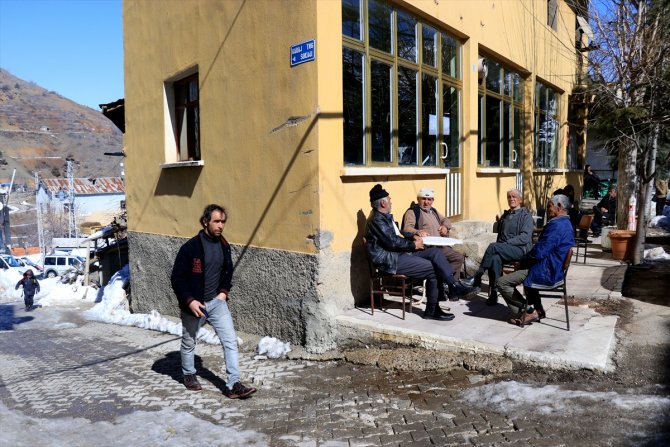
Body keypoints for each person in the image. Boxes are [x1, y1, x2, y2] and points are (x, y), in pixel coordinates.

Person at [170, 204, 257, 399]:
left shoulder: (224, 246)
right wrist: (190, 301)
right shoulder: (190, 248)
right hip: (195, 305)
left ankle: (234, 384)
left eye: (223, 221)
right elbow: (177, 278)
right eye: (216, 221)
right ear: (205, 222)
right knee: (189, 342)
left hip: (217, 303)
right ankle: (189, 374)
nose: (220, 226)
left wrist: (223, 293)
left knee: (230, 342)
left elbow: (228, 271)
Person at [364, 184, 477, 321]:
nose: (391, 201)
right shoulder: (377, 219)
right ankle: (433, 310)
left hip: (400, 254)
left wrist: (413, 236)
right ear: (383, 202)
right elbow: (392, 242)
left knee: (435, 253)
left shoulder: (384, 216)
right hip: (391, 260)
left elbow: (398, 234)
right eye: (389, 199)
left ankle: (453, 286)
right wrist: (413, 244)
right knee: (434, 269)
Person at [496, 194, 575, 326]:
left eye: (549, 206)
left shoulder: (556, 226)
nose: (548, 209)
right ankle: (538, 309)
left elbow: (539, 252)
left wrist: (523, 260)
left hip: (547, 270)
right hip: (554, 268)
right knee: (522, 267)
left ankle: (529, 311)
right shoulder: (566, 222)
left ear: (559, 206)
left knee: (502, 283)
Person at [460, 188, 534, 306]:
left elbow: (525, 237)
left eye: (514, 197)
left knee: (493, 247)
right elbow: (500, 232)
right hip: (504, 249)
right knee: (494, 259)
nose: (511, 199)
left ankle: (477, 277)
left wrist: (506, 244)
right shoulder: (506, 214)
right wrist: (499, 223)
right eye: (509, 197)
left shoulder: (526, 216)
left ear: (520, 200)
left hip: (520, 250)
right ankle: (493, 293)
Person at [401, 187, 465, 286]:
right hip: (427, 248)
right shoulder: (413, 211)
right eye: (423, 199)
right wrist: (417, 231)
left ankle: (450, 283)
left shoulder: (433, 211)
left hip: (440, 246)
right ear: (418, 199)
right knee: (451, 258)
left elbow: (446, 220)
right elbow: (407, 228)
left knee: (459, 258)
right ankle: (447, 282)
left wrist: (445, 227)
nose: (426, 202)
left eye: (429, 199)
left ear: (432, 201)